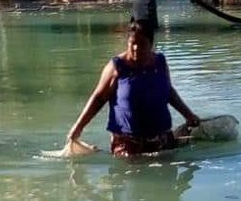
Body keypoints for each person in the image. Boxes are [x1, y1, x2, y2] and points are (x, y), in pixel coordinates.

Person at [67, 17, 201, 157]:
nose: (136, 48)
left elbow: (169, 92)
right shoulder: (117, 67)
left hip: (162, 140)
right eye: (133, 43)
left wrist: (189, 115)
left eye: (142, 44)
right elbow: (98, 98)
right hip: (128, 145)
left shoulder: (160, 63)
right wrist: (78, 127)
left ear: (151, 44)